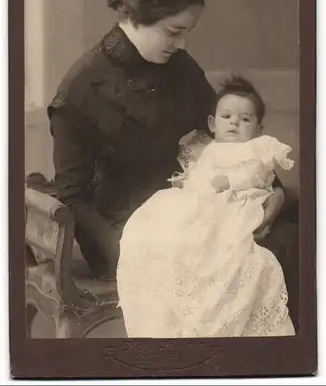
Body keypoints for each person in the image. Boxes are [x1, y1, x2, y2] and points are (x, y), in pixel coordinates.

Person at [48, 0, 285, 280]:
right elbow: (72, 198)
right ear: (139, 17)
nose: (182, 43)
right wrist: (122, 247)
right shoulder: (81, 89)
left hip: (199, 207)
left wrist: (275, 190)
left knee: (289, 239)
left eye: (187, 32)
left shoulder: (180, 66)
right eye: (174, 32)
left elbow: (227, 136)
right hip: (124, 228)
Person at [117, 76, 296, 337]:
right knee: (156, 226)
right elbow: (199, 175)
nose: (234, 122)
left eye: (245, 119)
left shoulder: (255, 150)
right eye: (227, 116)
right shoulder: (209, 149)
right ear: (212, 124)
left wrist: (230, 180)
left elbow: (256, 175)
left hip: (235, 202)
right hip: (203, 199)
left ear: (259, 129)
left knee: (222, 246)